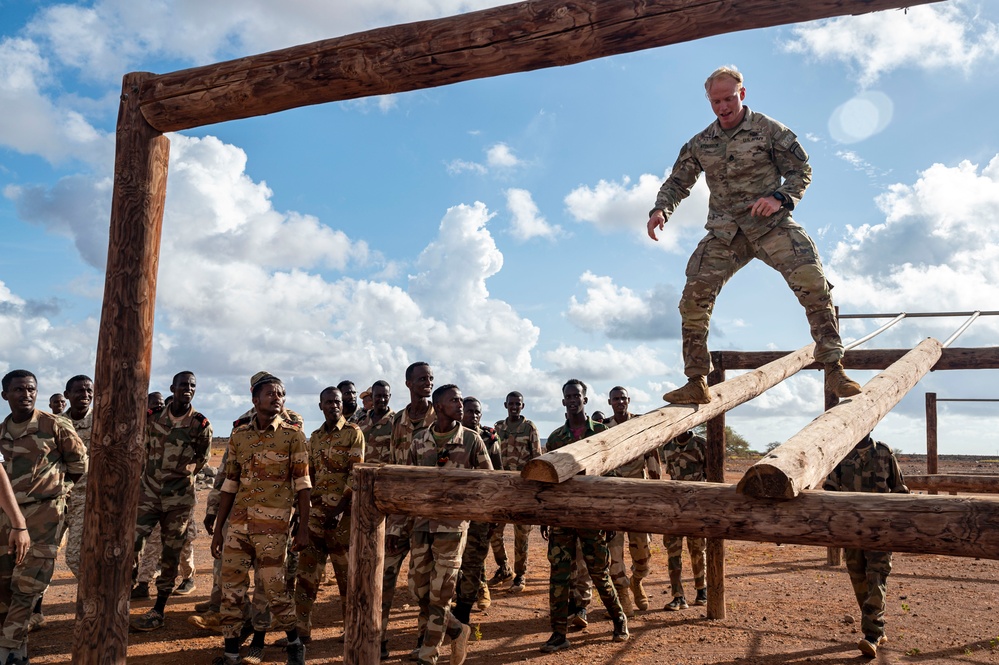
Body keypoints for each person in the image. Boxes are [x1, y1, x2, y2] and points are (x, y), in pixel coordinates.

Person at [647, 65, 861, 405]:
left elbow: (801, 170)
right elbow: (677, 182)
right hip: (725, 232)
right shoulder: (701, 143)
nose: (723, 107)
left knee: (813, 282)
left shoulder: (769, 130)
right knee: (693, 300)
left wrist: (778, 198)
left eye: (729, 99)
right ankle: (696, 380)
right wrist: (661, 209)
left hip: (770, 226)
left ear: (741, 94)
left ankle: (834, 367)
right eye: (715, 101)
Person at [387, 384, 491, 665]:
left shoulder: (471, 440)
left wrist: (470, 511)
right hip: (421, 526)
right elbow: (408, 487)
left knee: (441, 593)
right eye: (453, 400)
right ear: (439, 406)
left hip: (452, 528)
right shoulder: (419, 440)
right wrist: (397, 528)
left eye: (460, 400)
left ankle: (428, 653)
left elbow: (489, 483)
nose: (460, 404)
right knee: (418, 590)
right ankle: (457, 629)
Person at [210, 374, 310, 665]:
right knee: (231, 590)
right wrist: (219, 530)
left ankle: (294, 644)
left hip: (273, 527)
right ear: (255, 400)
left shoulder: (293, 436)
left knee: (275, 590)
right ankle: (230, 653)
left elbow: (303, 485)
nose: (277, 397)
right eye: (271, 393)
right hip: (239, 525)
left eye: (282, 394)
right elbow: (230, 483)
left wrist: (302, 529)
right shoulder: (240, 435)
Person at [0, 370, 84, 665]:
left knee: (28, 586)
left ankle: (5, 650)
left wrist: (54, 492)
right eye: (19, 390)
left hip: (45, 516)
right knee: (5, 587)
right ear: (5, 395)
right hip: (6, 519)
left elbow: (78, 466)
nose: (26, 395)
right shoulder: (0, 433)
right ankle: (17, 653)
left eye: (31, 389)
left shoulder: (54, 425)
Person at [539, 379, 628, 653]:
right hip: (563, 518)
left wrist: (610, 518)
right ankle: (558, 633)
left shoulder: (601, 432)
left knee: (599, 573)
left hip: (591, 517)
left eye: (577, 395)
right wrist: (547, 516)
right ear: (564, 401)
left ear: (585, 400)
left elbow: (612, 477)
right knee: (559, 576)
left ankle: (619, 619)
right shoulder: (555, 438)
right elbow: (549, 480)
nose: (573, 399)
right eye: (568, 396)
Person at [129, 371, 213, 632]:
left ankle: (159, 608)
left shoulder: (200, 424)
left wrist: (182, 473)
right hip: (149, 493)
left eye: (192, 386)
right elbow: (141, 448)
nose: (187, 389)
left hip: (179, 499)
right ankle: (123, 590)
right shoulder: (153, 418)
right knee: (131, 540)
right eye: (183, 385)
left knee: (171, 552)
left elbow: (203, 459)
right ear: (172, 388)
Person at [823, 433, 908, 658]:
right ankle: (877, 626)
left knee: (876, 578)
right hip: (851, 532)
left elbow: (900, 490)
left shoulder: (884, 453)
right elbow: (830, 489)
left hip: (879, 531)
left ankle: (872, 635)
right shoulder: (843, 455)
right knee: (858, 578)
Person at [293, 386, 364, 643]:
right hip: (315, 516)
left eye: (337, 402)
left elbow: (355, 474)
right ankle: (301, 629)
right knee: (306, 574)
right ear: (320, 405)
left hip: (342, 518)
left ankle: (351, 630)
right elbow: (308, 474)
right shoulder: (315, 437)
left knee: (346, 577)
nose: (334, 406)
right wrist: (301, 513)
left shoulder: (353, 433)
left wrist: (339, 510)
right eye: (328, 402)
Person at [380, 362, 435, 660]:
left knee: (422, 585)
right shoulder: (398, 421)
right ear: (408, 383)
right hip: (399, 515)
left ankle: (422, 640)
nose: (427, 383)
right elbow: (391, 465)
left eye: (430, 379)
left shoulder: (441, 417)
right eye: (421, 379)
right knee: (385, 577)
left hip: (428, 517)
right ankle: (380, 638)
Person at [604, 386, 660, 616]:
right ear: (610, 402)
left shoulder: (641, 425)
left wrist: (656, 501)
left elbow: (654, 467)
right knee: (614, 555)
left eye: (623, 399)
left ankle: (637, 581)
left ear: (629, 400)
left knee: (643, 556)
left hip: (639, 503)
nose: (620, 402)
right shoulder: (603, 429)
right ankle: (624, 594)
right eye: (616, 399)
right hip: (614, 503)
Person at [453, 396, 502, 621]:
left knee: (473, 561)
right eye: (469, 411)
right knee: (454, 561)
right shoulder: (451, 438)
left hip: (480, 512)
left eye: (477, 412)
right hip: (456, 512)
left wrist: (495, 513)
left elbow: (498, 476)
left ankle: (463, 611)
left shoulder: (490, 440)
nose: (473, 416)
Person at [489, 391, 541, 593]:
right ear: (505, 405)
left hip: (523, 489)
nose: (514, 407)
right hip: (501, 489)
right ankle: (503, 568)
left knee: (522, 536)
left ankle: (520, 575)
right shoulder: (498, 427)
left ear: (523, 406)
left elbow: (537, 457)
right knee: (494, 531)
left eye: (518, 404)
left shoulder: (529, 428)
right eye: (511, 403)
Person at [660, 430, 708, 610]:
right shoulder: (668, 447)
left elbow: (712, 476)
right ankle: (678, 596)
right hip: (674, 509)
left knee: (697, 550)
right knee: (673, 553)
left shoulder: (700, 444)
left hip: (696, 508)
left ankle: (701, 590)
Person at [60, 375, 93, 581]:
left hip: (86, 497)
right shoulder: (57, 423)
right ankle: (35, 607)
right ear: (67, 395)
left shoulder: (102, 421)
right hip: (59, 496)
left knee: (74, 557)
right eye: (79, 391)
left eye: (89, 391)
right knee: (42, 553)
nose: (85, 395)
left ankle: (96, 596)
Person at [358, 380, 394, 464]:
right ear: (372, 396)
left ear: (390, 396)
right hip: (363, 474)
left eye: (385, 396)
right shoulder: (361, 422)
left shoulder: (396, 422)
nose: (382, 399)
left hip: (385, 474)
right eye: (378, 396)